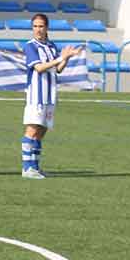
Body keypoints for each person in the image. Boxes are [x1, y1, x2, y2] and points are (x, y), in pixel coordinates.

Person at [21, 14, 80, 180]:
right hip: (36, 96)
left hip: (50, 95)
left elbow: (58, 69)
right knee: (32, 130)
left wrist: (66, 58)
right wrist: (60, 58)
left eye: (41, 26)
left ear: (47, 27)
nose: (38, 30)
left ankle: (35, 167)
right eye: (35, 26)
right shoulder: (30, 46)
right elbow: (39, 68)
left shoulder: (51, 46)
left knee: (41, 131)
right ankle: (27, 168)